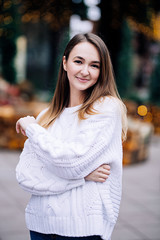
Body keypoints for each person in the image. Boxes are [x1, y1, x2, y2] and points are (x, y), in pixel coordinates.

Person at [15, 33, 127, 240]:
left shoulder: (106, 109)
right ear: (65, 63)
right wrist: (82, 177)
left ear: (103, 71)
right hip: (40, 226)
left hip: (83, 229)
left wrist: (33, 129)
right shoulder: (46, 117)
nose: (85, 71)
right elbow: (25, 177)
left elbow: (70, 162)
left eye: (95, 65)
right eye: (78, 61)